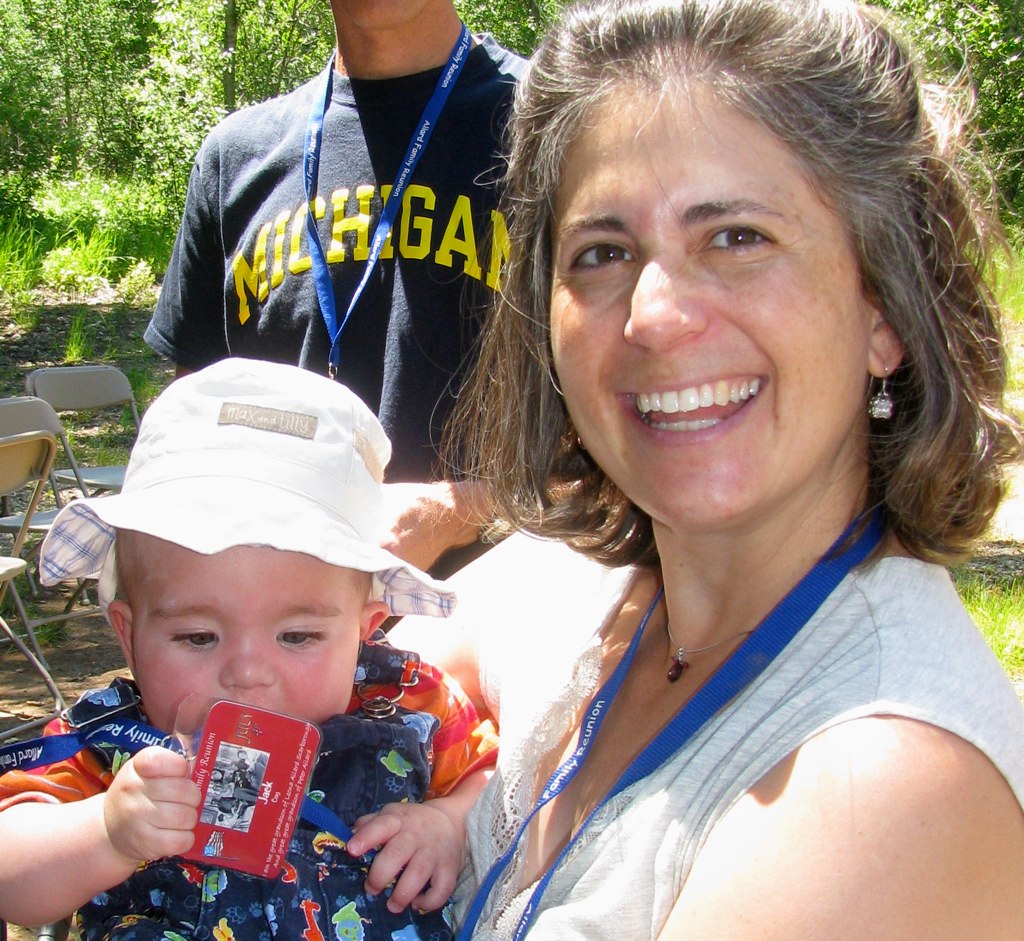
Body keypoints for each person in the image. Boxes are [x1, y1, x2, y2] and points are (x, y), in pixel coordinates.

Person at [392, 0, 1024, 936]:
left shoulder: (881, 785)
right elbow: (291, 670)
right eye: (603, 253)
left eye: (735, 236)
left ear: (885, 310)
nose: (653, 314)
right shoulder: (588, 588)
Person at [0, 358, 497, 940]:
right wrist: (105, 833)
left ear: (366, 628)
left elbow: (491, 776)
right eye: (197, 637)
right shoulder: (104, 741)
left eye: (297, 636)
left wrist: (449, 820)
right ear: (128, 636)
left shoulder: (410, 701)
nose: (247, 672)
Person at [145, 0, 526, 574]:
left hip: (507, 624)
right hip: (280, 634)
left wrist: (456, 511)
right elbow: (193, 446)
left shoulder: (556, 126)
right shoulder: (235, 158)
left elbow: (633, 459)